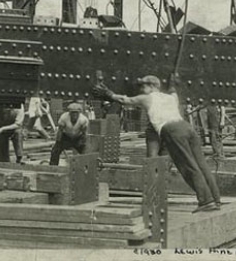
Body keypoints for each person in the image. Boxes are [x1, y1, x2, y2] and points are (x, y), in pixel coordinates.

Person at [94, 73, 222, 213]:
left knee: (188, 166)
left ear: (153, 86)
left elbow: (125, 100)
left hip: (172, 131)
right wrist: (173, 82)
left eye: (144, 85)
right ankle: (215, 199)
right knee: (202, 165)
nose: (142, 89)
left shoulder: (146, 98)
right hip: (187, 128)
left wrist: (107, 93)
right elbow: (173, 89)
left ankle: (206, 201)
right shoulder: (171, 97)